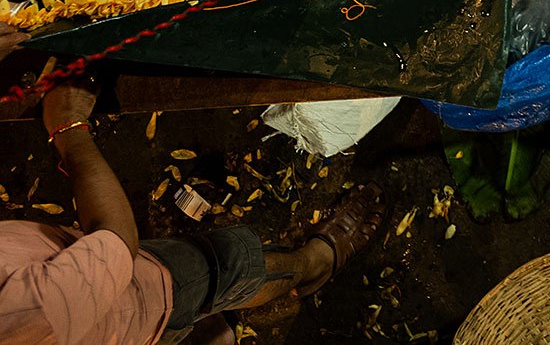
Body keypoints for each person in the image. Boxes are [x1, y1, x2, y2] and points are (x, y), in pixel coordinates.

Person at [0, 73, 381, 343]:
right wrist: (68, 128)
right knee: (227, 269)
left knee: (186, 316)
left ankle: (202, 327)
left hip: (88, 297)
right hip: (142, 297)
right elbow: (115, 240)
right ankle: (315, 265)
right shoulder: (19, 315)